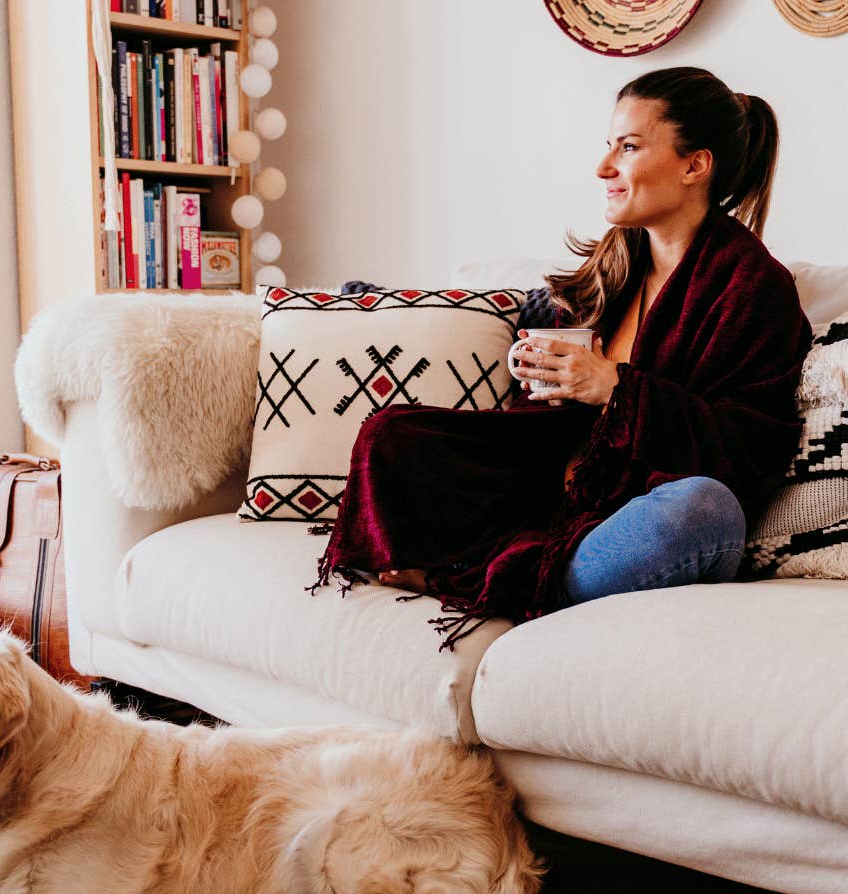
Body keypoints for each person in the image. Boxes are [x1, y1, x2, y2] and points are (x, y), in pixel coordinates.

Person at [309, 66, 813, 650]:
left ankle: (497, 580)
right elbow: (556, 430)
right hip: (557, 495)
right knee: (392, 433)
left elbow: (751, 449)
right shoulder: (613, 264)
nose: (604, 169)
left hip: (647, 514)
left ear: (694, 165)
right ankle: (506, 568)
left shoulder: (752, 286)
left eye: (628, 148)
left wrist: (616, 389)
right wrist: (546, 381)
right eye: (609, 147)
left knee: (704, 510)